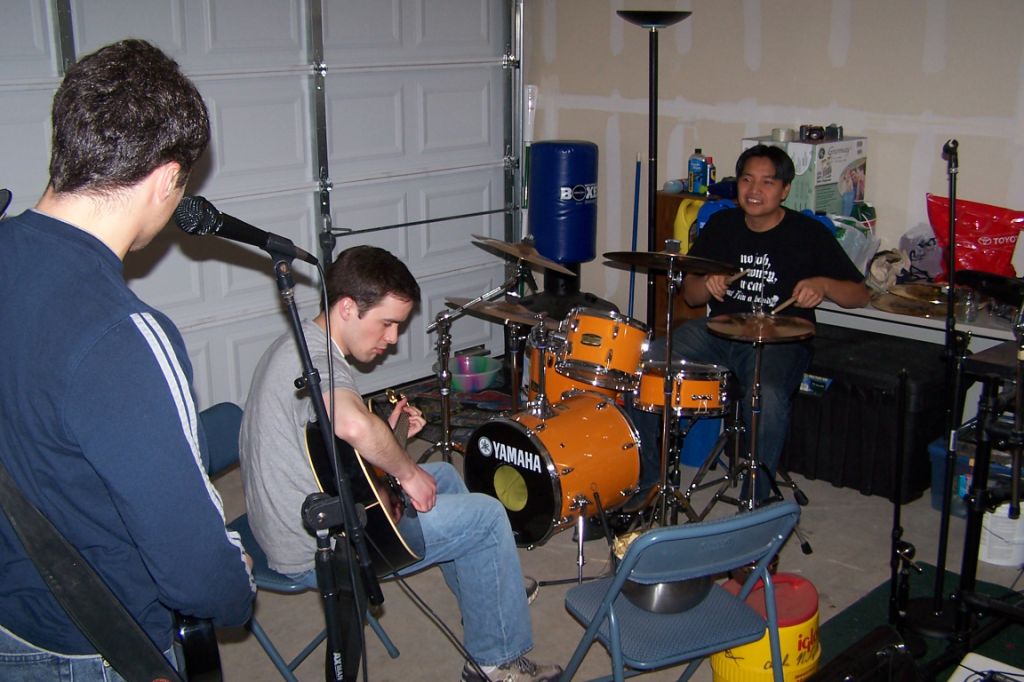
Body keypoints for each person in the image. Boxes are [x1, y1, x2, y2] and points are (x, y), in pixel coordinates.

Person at [0, 39, 255, 679]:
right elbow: (195, 569)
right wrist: (235, 586)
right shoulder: (123, 335)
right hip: (91, 645)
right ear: (168, 178)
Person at [239, 245, 561, 682]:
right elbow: (352, 425)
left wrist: (390, 437)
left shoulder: (298, 342)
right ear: (347, 308)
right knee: (487, 517)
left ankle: (489, 592)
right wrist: (405, 471)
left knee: (441, 476)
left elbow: (329, 452)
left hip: (299, 512)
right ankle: (495, 662)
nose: (392, 339)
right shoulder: (318, 361)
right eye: (387, 323)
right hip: (312, 546)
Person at [631, 144, 871, 502]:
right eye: (747, 180)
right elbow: (692, 296)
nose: (755, 190)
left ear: (784, 189)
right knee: (650, 364)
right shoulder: (722, 225)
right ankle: (649, 481)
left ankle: (755, 502)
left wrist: (823, 285)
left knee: (767, 396)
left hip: (780, 342)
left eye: (767, 182)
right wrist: (707, 284)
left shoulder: (808, 233)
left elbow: (861, 295)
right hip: (718, 333)